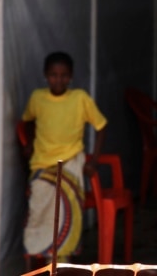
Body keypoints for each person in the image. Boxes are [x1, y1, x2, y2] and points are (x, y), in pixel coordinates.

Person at [21, 51, 107, 268]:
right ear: (45, 75)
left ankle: (60, 258)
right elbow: (27, 121)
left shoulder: (80, 98)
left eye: (63, 75)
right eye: (53, 75)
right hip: (42, 164)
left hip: (70, 162)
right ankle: (38, 255)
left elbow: (101, 127)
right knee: (39, 207)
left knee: (65, 202)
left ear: (70, 77)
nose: (58, 80)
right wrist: (29, 144)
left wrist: (93, 161)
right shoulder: (37, 98)